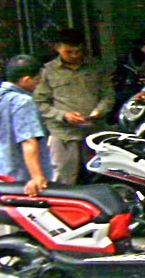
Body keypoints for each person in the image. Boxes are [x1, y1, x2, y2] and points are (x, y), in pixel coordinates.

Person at [34, 28, 115, 185]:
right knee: (64, 180)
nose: (74, 55)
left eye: (78, 51)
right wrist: (63, 115)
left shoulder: (96, 67)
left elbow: (108, 95)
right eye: (69, 52)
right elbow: (40, 102)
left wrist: (99, 111)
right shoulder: (47, 71)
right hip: (64, 134)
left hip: (94, 132)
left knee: (100, 177)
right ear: (57, 48)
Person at [0, 54, 53, 196]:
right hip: (20, 176)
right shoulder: (23, 102)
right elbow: (28, 140)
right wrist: (37, 176)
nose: (39, 84)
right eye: (37, 80)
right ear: (26, 80)